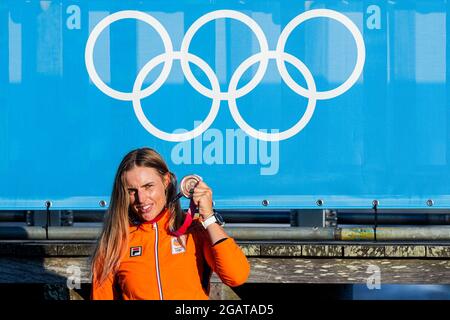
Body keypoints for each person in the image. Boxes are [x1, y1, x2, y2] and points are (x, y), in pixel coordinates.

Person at [91, 147, 250, 300]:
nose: (141, 198)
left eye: (148, 186)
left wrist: (208, 217)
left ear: (166, 180)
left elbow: (236, 276)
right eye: (132, 191)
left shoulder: (194, 231)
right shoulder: (114, 241)